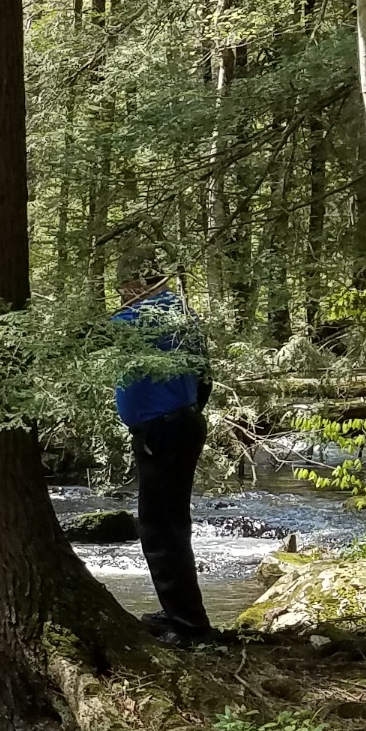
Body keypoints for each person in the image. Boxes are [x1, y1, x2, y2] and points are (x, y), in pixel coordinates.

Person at [112, 273, 215, 643]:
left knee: (160, 530)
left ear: (142, 284)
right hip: (183, 423)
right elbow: (205, 378)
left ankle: (189, 628)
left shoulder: (134, 319)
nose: (122, 294)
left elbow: (83, 345)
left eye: (126, 287)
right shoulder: (185, 317)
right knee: (171, 525)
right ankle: (179, 612)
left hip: (162, 431)